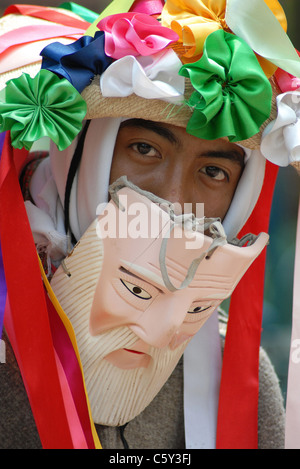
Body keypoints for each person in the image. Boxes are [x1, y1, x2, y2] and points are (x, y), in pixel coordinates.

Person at [0, 0, 299, 450]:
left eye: (214, 172)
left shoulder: (236, 379)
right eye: (144, 149)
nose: (173, 204)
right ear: (84, 151)